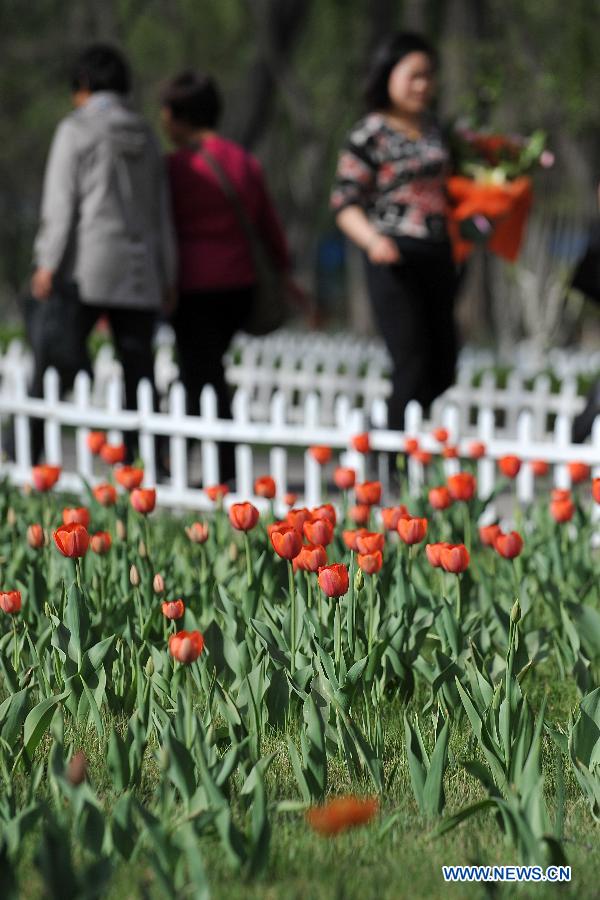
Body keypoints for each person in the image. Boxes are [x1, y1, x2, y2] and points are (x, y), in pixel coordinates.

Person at [31, 43, 175, 464]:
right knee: (139, 370)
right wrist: (168, 273)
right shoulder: (146, 135)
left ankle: (25, 449)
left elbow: (61, 205)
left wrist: (47, 261)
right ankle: (145, 460)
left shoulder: (76, 130)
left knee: (53, 359)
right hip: (139, 270)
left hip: (87, 267)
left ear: (84, 85)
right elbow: (162, 212)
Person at [160, 70, 296, 484]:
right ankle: (183, 456)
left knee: (201, 374)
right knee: (203, 369)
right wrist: (284, 271)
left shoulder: (176, 167)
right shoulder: (243, 161)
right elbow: (268, 225)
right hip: (239, 285)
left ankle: (215, 465)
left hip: (193, 287)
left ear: (178, 116)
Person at [331, 32, 458, 433]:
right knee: (411, 358)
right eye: (413, 75)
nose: (422, 85)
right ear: (388, 75)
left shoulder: (436, 130)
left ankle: (389, 424)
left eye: (428, 76)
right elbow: (344, 201)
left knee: (444, 365)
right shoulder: (370, 133)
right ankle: (391, 447)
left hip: (438, 252)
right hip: (393, 254)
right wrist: (373, 241)